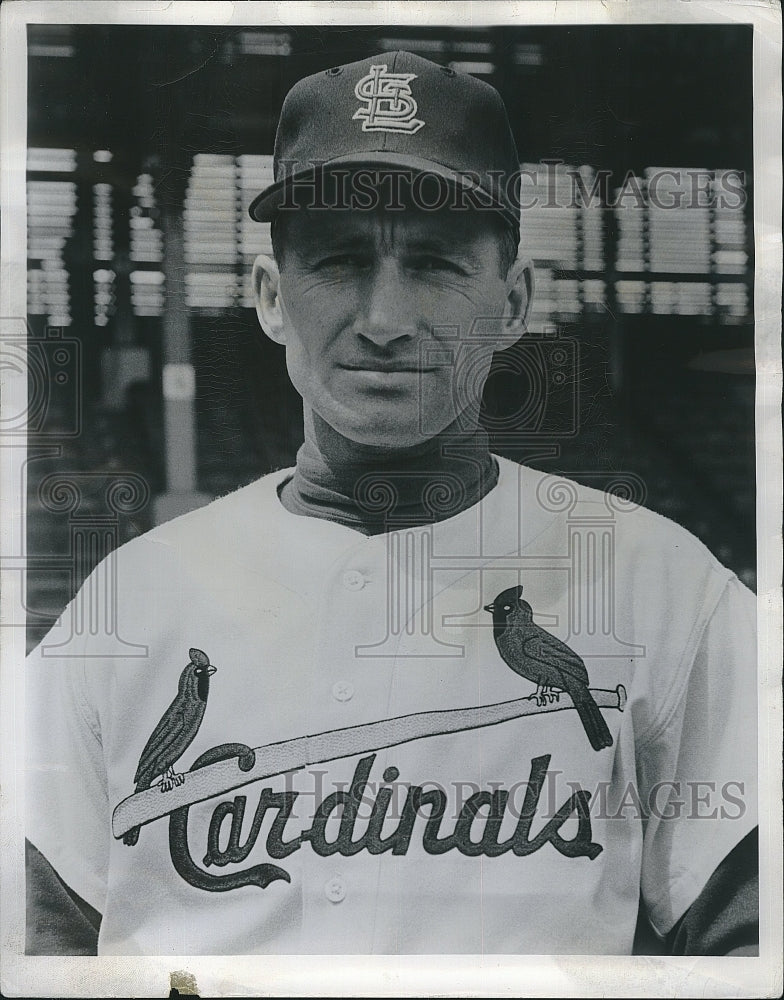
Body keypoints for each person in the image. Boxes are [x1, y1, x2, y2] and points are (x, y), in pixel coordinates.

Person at [26, 50, 758, 956]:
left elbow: (754, 948)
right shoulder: (124, 607)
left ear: (515, 300)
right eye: (336, 261)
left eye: (438, 264)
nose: (384, 320)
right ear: (267, 296)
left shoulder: (669, 590)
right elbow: (35, 952)